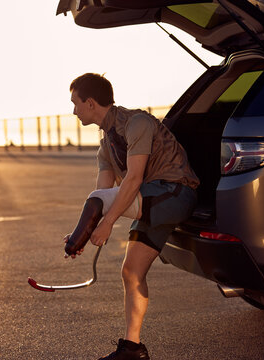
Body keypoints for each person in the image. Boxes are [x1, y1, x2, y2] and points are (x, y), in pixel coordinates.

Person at [63, 73, 199, 360]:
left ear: (90, 103)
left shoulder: (137, 123)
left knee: (103, 206)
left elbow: (134, 178)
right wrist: (86, 233)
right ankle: (133, 349)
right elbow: (102, 194)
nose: (73, 111)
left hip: (175, 192)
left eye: (75, 103)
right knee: (131, 272)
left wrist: (104, 224)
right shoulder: (105, 145)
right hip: (150, 200)